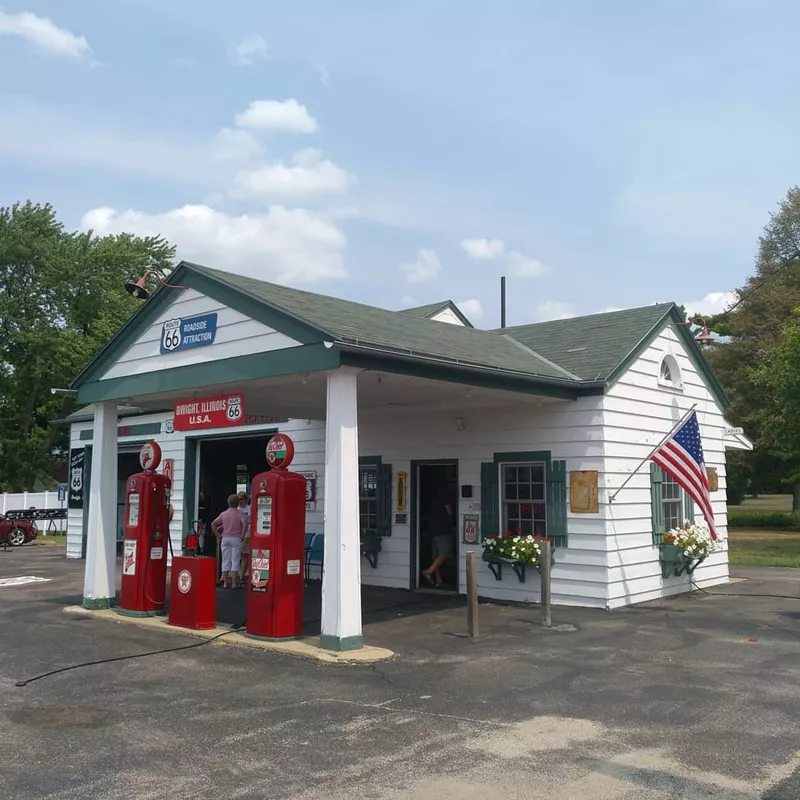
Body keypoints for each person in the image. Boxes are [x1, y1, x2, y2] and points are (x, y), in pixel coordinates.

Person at [421, 484, 457, 588]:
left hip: (433, 530)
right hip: (443, 529)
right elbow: (449, 512)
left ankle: (439, 581)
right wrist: (452, 521)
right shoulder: (445, 496)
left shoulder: (434, 499)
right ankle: (428, 572)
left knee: (436, 556)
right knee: (445, 553)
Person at [211, 493, 246, 589]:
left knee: (225, 560)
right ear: (238, 503)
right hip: (236, 539)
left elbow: (213, 524)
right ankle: (234, 583)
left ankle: (225, 583)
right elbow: (245, 524)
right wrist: (243, 535)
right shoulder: (240, 514)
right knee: (235, 560)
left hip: (225, 538)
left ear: (228, 503)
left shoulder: (223, 514)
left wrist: (218, 536)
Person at [238, 491, 251, 584]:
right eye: (239, 499)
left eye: (242, 499)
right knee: (236, 556)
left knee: (245, 556)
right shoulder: (236, 509)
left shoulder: (249, 509)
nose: (240, 501)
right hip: (237, 535)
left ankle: (241, 576)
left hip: (247, 535)